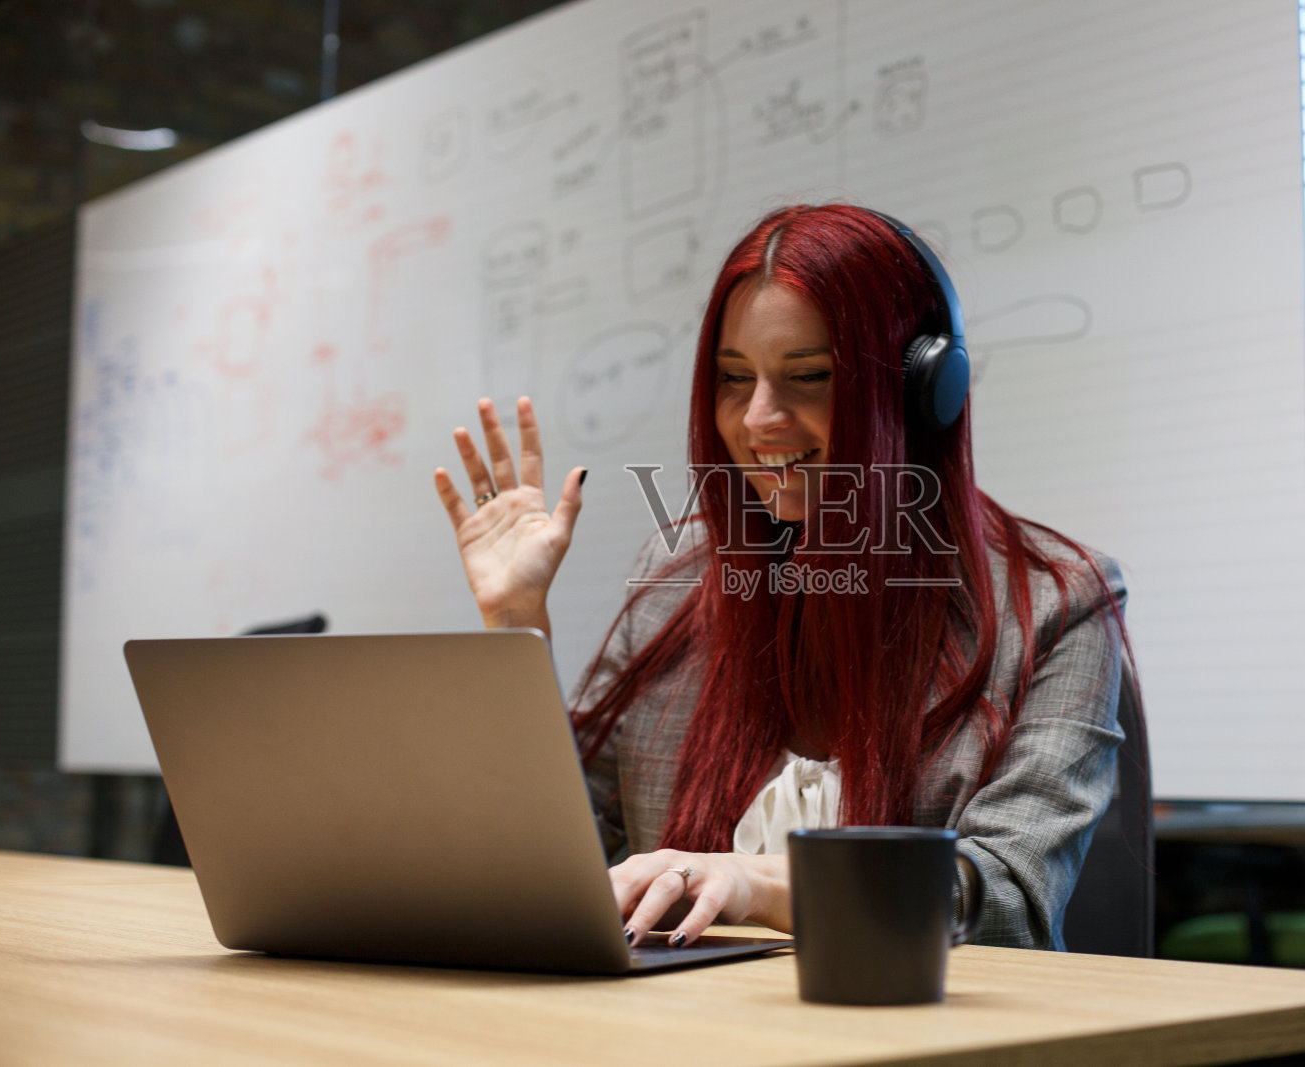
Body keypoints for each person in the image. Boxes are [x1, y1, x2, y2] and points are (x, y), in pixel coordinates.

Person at [433, 204, 1130, 951]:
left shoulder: (1059, 600)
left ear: (926, 389)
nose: (760, 418)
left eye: (808, 377)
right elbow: (561, 861)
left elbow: (1003, 900)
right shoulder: (677, 579)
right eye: (734, 379)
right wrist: (516, 623)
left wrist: (749, 880)